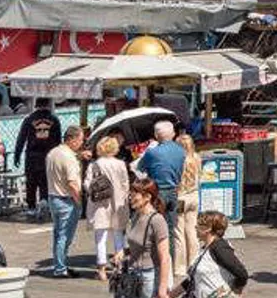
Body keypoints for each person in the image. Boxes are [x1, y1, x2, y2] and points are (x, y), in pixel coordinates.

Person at [84, 135, 130, 282]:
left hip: (100, 205)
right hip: (118, 203)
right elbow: (125, 185)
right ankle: (119, 266)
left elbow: (87, 185)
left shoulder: (94, 165)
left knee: (100, 238)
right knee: (118, 236)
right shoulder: (121, 164)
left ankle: (102, 269)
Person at [136, 120, 185, 252]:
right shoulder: (181, 151)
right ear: (173, 134)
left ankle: (158, 263)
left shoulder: (152, 153)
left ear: (156, 135)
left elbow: (139, 168)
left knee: (156, 228)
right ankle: (170, 262)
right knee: (170, 229)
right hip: (174, 191)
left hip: (157, 193)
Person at [46, 126, 84, 278]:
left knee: (58, 234)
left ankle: (60, 265)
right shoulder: (68, 157)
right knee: (64, 236)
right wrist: (79, 200)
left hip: (53, 196)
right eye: (81, 140)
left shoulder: (53, 152)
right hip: (66, 199)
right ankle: (60, 268)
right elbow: (71, 182)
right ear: (73, 140)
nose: (81, 143)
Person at [14, 98, 62, 219]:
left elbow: (21, 139)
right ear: (47, 105)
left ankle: (31, 207)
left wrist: (17, 155)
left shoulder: (29, 119)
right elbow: (58, 140)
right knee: (45, 182)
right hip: (48, 156)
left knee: (31, 182)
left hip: (32, 156)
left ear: (36, 105)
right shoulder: (54, 120)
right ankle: (44, 203)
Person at [174, 134, 202, 278]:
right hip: (194, 197)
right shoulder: (197, 158)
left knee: (179, 232)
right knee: (192, 231)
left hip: (181, 198)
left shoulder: (178, 160)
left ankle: (179, 267)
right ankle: (194, 263)